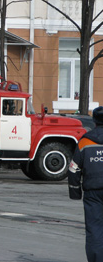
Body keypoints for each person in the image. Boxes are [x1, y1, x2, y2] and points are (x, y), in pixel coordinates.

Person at [68, 106, 103, 262]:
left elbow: (74, 168)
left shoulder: (85, 141)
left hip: (93, 193)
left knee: (95, 230)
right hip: (93, 193)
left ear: (94, 121)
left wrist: (75, 192)